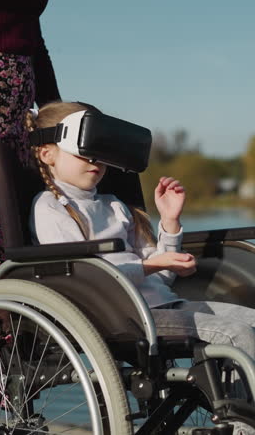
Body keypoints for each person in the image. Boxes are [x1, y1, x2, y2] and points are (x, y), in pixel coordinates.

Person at [27, 101, 255, 435]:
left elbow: (161, 275)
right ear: (48, 154)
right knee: (234, 335)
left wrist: (170, 223)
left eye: (100, 154)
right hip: (120, 314)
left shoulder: (115, 206)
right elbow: (84, 275)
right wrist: (149, 265)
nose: (95, 162)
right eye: (85, 153)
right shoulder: (49, 208)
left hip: (163, 305)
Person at [0, 0, 61, 272]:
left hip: (17, 113)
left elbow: (34, 39)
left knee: (13, 202)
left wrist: (54, 109)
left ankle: (14, 310)